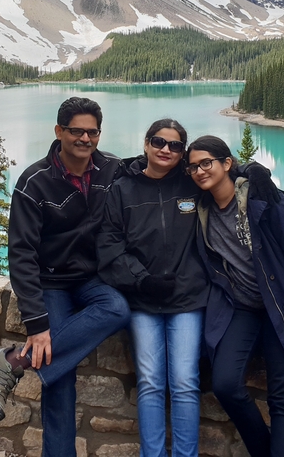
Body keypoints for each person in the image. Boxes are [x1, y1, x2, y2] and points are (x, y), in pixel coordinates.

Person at [0, 96, 131, 457]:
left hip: (92, 279)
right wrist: (36, 323)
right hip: (51, 283)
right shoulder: (34, 182)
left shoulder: (112, 169)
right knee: (59, 379)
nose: (85, 138)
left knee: (117, 308)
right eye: (76, 131)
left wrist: (234, 169)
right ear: (59, 131)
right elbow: (21, 255)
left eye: (92, 132)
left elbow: (161, 167)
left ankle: (14, 360)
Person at [185, 135, 284, 457]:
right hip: (241, 307)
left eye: (206, 163)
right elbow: (156, 172)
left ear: (227, 164)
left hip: (280, 306)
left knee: (282, 395)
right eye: (193, 167)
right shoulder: (200, 208)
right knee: (226, 385)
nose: (199, 171)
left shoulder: (262, 199)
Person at [97, 119, 208, 457]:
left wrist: (253, 171)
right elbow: (109, 245)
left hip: (187, 299)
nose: (166, 150)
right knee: (150, 383)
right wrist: (141, 279)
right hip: (142, 300)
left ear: (182, 152)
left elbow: (222, 172)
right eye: (159, 142)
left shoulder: (193, 185)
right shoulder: (123, 189)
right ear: (146, 144)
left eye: (175, 146)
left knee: (186, 383)